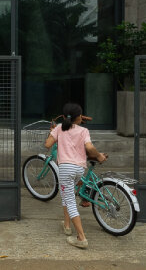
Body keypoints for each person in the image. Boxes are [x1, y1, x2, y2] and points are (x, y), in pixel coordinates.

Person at [45, 102, 106, 250]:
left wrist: (52, 132)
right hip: (79, 169)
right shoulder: (84, 130)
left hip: (66, 169)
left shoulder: (59, 128)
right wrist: (99, 156)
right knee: (67, 195)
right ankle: (67, 226)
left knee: (70, 201)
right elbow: (89, 147)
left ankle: (81, 238)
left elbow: (47, 144)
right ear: (79, 117)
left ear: (65, 116)